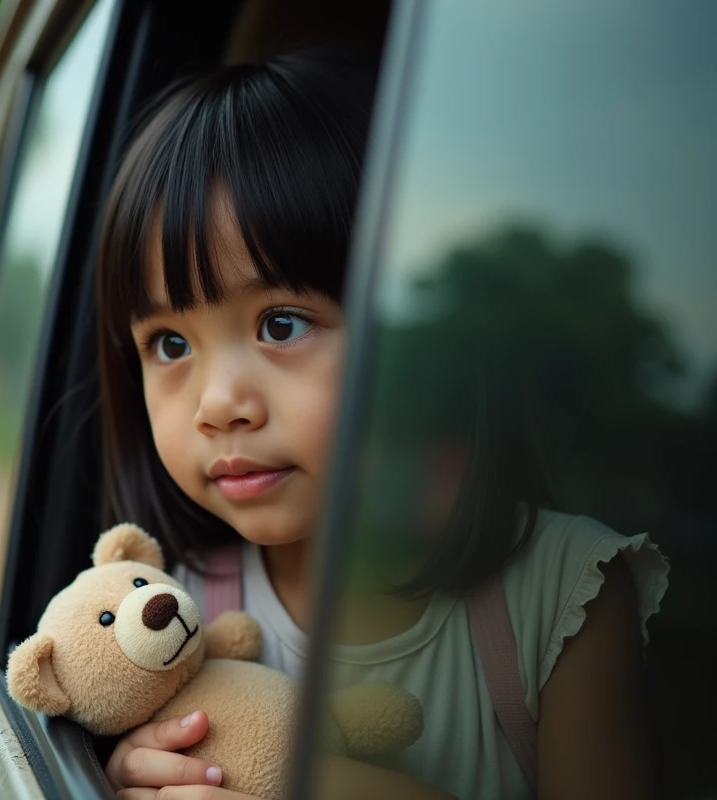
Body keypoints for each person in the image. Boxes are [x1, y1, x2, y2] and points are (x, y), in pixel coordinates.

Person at [93, 50, 669, 800]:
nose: (217, 404)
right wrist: (125, 772)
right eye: (170, 344)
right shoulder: (171, 615)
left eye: (281, 323)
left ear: (406, 333)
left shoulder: (566, 597)